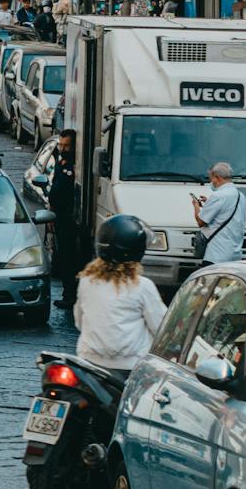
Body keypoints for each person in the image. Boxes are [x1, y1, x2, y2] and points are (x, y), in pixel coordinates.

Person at [73, 214, 166, 376]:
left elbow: (79, 322)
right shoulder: (142, 286)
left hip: (88, 362)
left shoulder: (87, 281)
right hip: (130, 366)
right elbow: (160, 327)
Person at [49, 130, 82, 310]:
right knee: (64, 256)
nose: (62, 149)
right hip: (59, 215)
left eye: (66, 146)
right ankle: (67, 293)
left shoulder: (71, 166)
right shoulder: (60, 163)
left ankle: (70, 295)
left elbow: (62, 190)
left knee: (68, 258)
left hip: (68, 217)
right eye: (60, 145)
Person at [192, 162, 246, 264]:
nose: (211, 182)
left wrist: (196, 206)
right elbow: (226, 212)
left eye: (210, 178)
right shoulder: (240, 196)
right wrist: (209, 203)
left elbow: (201, 221)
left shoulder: (218, 196)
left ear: (217, 178)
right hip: (234, 255)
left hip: (216, 255)